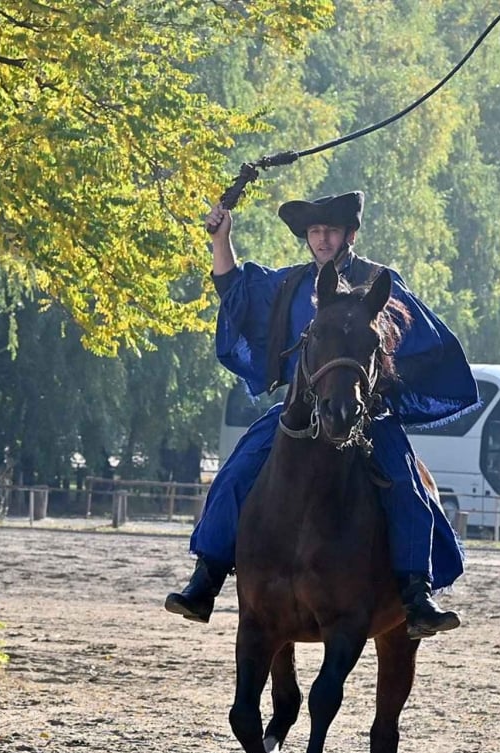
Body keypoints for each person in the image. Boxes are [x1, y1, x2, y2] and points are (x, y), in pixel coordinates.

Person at [165, 191, 480, 638]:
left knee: (408, 487)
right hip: (298, 413)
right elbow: (235, 290)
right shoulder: (289, 285)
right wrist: (220, 240)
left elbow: (421, 343)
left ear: (350, 234)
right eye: (315, 231)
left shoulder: (381, 284)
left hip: (366, 415)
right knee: (235, 472)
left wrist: (381, 380)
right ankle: (207, 577)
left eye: (331, 230)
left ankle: (415, 593)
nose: (322, 239)